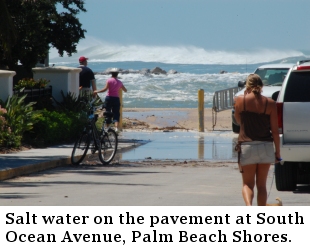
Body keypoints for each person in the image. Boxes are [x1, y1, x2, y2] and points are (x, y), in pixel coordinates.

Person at [234, 74, 281, 206]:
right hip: (265, 146)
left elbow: (238, 122)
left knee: (247, 184)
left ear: (247, 86)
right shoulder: (270, 103)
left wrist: (244, 95)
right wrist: (277, 152)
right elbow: (275, 131)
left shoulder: (239, 100)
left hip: (247, 146)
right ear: (262, 86)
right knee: (262, 186)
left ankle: (249, 208)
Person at [93, 68, 127, 133]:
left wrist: (97, 91)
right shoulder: (119, 82)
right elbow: (125, 90)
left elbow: (105, 89)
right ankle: (116, 128)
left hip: (109, 98)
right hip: (116, 99)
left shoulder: (109, 80)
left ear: (111, 74)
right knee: (116, 113)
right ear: (117, 74)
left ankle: (107, 127)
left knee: (108, 112)